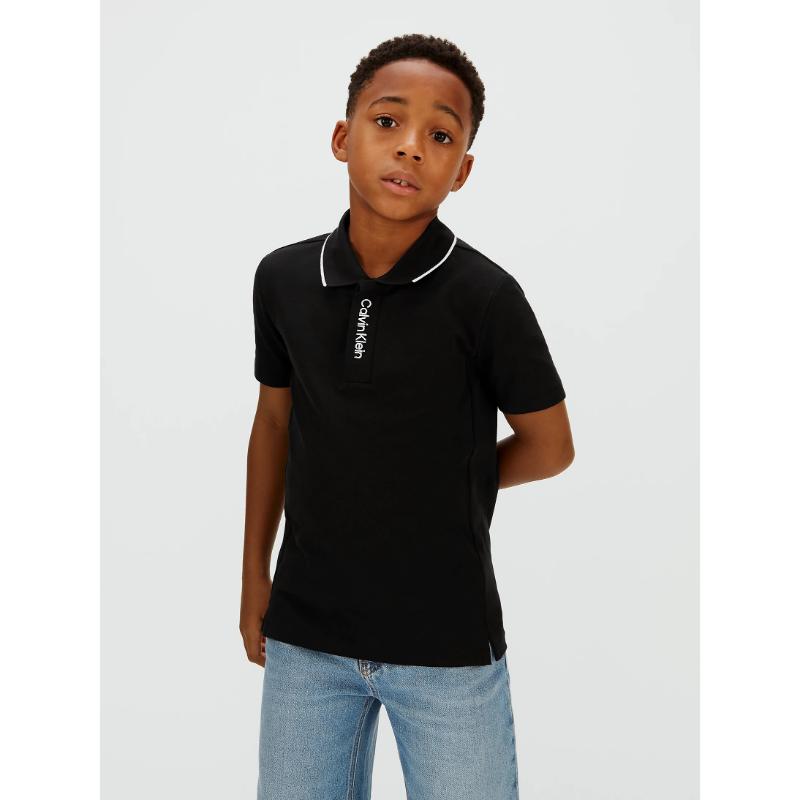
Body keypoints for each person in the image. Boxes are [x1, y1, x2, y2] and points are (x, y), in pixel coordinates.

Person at [240, 33, 575, 800]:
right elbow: (273, 426)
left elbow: (551, 444)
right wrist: (254, 576)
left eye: (441, 136)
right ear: (342, 137)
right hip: (306, 642)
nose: (411, 147)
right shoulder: (283, 278)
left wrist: (452, 476)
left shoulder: (486, 298)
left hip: (446, 649)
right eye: (387, 121)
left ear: (462, 171)